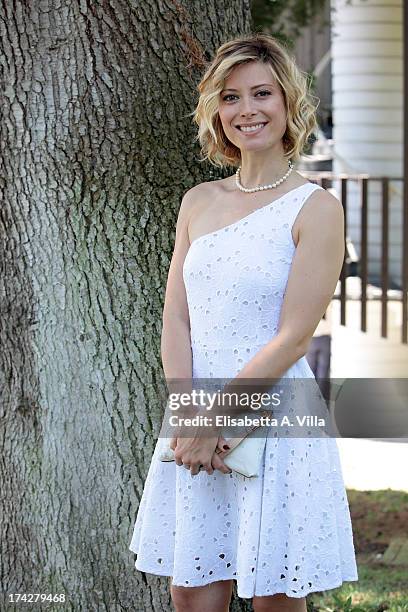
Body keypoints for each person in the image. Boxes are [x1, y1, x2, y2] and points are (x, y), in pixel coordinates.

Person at [129, 33, 358, 612]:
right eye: (230, 97)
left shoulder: (317, 208)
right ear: (215, 110)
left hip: (277, 416)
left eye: (262, 93)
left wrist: (221, 422)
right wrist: (189, 415)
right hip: (193, 410)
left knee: (274, 594)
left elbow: (294, 335)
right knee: (191, 594)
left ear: (287, 103)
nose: (246, 110)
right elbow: (176, 316)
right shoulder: (198, 201)